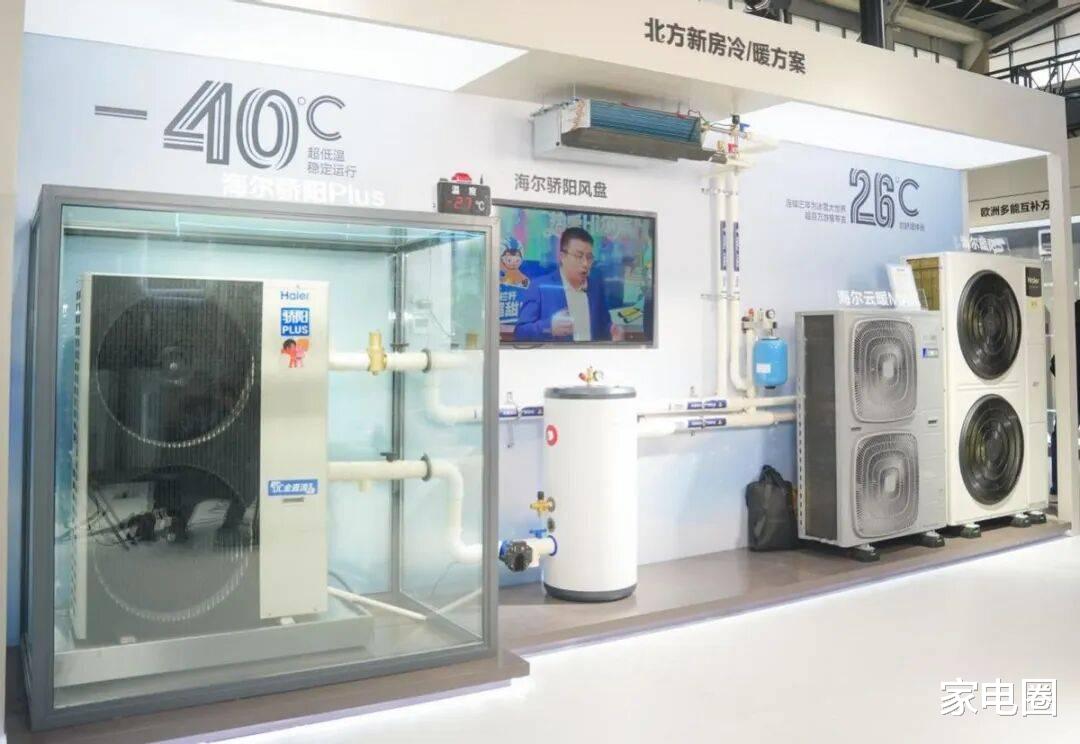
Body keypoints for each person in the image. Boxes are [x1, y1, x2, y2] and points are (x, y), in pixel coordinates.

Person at [513, 226, 624, 342]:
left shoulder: (595, 287)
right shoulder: (540, 287)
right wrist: (549, 327)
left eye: (589, 257)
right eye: (579, 256)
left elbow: (603, 326)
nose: (585, 263)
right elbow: (520, 333)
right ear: (562, 257)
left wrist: (613, 335)